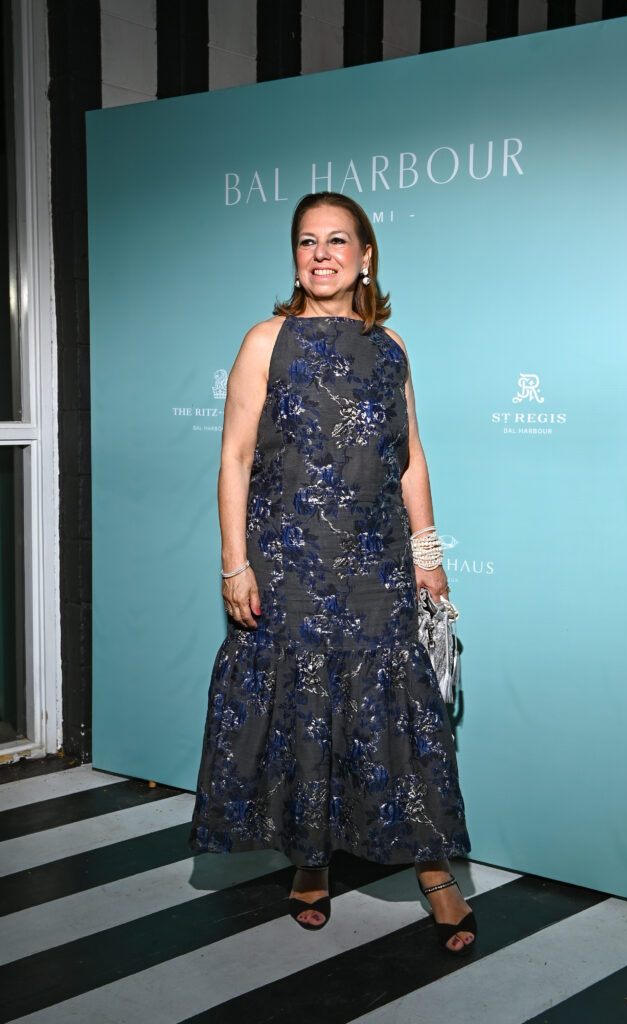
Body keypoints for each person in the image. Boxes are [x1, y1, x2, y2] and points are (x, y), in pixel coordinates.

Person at [189, 192, 476, 955]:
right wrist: (234, 563)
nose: (322, 254)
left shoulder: (391, 348)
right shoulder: (266, 340)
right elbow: (235, 458)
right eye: (308, 241)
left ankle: (435, 872)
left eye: (338, 240)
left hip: (376, 566)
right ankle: (310, 862)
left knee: (399, 724)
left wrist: (428, 556)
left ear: (366, 255)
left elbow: (410, 460)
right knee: (304, 714)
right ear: (295, 258)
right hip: (288, 564)